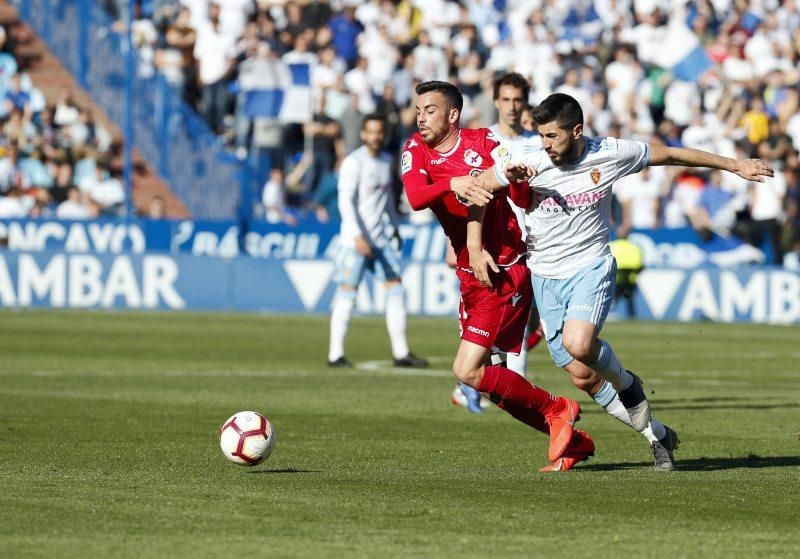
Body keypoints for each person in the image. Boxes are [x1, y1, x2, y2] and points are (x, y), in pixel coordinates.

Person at [464, 93, 774, 471]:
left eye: (552, 137)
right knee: (582, 376)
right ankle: (656, 434)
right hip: (544, 274)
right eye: (541, 136)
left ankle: (627, 383)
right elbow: (477, 190)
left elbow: (672, 155)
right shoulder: (527, 158)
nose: (545, 145)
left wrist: (733, 164)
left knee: (580, 344)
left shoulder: (610, 153)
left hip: (590, 266)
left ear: (577, 131)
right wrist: (475, 244)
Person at [402, 81, 591, 473]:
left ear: (453, 115)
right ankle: (572, 439)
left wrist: (516, 180)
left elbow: (520, 198)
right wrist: (452, 184)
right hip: (471, 275)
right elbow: (416, 197)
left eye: (430, 110)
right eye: (419, 110)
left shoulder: (485, 143)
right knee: (487, 379)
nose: (421, 117)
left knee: (466, 370)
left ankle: (558, 408)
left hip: (502, 269)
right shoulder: (414, 149)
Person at [451, 73, 543, 412]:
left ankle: (496, 388)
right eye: (506, 99)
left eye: (518, 100)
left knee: (526, 327)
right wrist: (460, 245)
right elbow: (465, 195)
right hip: (491, 245)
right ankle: (478, 385)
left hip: (534, 243)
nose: (512, 107)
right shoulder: (481, 140)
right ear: (495, 101)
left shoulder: (538, 143)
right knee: (480, 318)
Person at [328, 114, 428, 370]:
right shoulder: (354, 163)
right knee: (347, 293)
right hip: (355, 242)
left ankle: (401, 352)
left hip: (381, 240)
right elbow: (345, 203)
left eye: (379, 132)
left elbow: (386, 202)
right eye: (370, 132)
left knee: (396, 290)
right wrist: (357, 235)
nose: (375, 137)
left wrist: (394, 227)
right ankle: (335, 354)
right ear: (363, 134)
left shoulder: (386, 161)